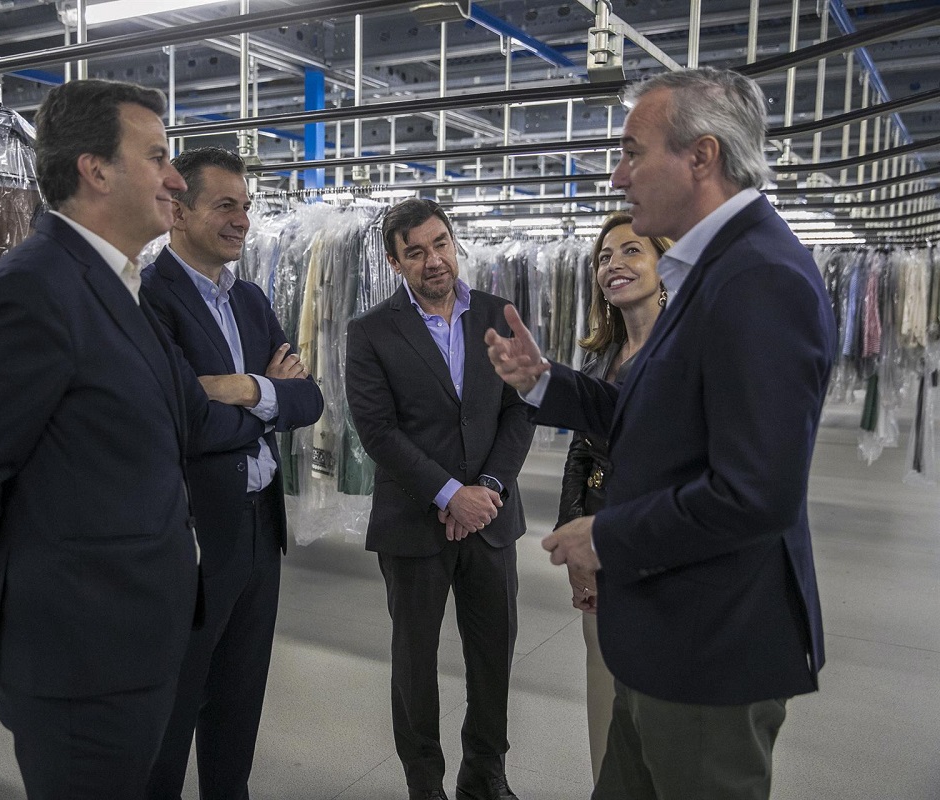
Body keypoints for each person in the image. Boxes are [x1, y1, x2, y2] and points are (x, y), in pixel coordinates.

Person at [486, 67, 836, 800]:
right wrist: (544, 380)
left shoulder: (758, 279)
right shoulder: (711, 269)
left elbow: (754, 495)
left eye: (632, 152)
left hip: (711, 651)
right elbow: (656, 420)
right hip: (668, 638)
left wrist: (605, 536)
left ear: (701, 157)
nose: (618, 176)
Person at [0, 80, 267, 800]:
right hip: (76, 655)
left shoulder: (120, 287)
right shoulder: (36, 290)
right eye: (159, 157)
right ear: (95, 169)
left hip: (131, 641)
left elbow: (191, 419)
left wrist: (269, 395)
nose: (175, 178)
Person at [140, 147, 324, 800]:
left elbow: (311, 399)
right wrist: (267, 398)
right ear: (177, 210)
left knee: (238, 707)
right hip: (191, 539)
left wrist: (243, 391)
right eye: (225, 205)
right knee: (169, 711)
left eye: (246, 206)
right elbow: (181, 424)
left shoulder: (249, 298)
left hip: (258, 531)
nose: (243, 220)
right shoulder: (148, 300)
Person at [345, 198, 534, 800]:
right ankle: (424, 783)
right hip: (414, 522)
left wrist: (489, 491)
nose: (435, 260)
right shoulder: (370, 330)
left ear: (456, 242)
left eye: (442, 243)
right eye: (417, 251)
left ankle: (487, 774)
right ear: (396, 263)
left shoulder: (500, 317)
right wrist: (452, 494)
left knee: (492, 658)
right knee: (414, 666)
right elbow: (377, 431)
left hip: (492, 521)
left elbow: (521, 411)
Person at [555, 212, 672, 784]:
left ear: (664, 264)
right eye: (604, 256)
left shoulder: (689, 352)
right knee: (603, 686)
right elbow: (579, 456)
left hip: (661, 540)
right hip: (598, 534)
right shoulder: (599, 357)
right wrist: (577, 547)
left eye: (631, 251)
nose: (614, 265)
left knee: (662, 702)